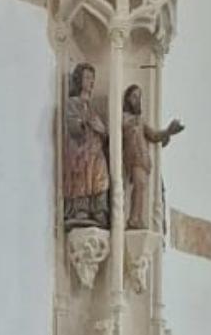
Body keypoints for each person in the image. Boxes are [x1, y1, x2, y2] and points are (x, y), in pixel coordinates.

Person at [121, 83, 183, 230]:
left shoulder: (141, 120)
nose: (137, 100)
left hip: (143, 159)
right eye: (134, 96)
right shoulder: (125, 117)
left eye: (139, 97)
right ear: (127, 99)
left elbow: (154, 135)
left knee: (141, 186)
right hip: (133, 158)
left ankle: (137, 217)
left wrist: (168, 131)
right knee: (138, 185)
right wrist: (133, 121)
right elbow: (123, 127)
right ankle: (133, 218)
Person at [63, 63, 110, 229]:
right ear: (79, 80)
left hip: (95, 151)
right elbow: (72, 127)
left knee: (101, 176)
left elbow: (101, 130)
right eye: (88, 77)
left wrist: (102, 131)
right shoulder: (72, 103)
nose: (92, 81)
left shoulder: (91, 106)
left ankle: (99, 209)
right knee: (81, 176)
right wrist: (85, 123)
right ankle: (81, 209)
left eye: (93, 78)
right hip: (80, 150)